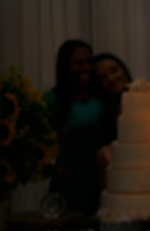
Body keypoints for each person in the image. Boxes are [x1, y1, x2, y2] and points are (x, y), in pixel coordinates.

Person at [43, 39, 106, 216]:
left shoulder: (102, 96)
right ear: (65, 66)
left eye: (89, 62)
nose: (86, 68)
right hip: (68, 183)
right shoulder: (52, 99)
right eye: (78, 63)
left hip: (101, 181)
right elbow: (41, 142)